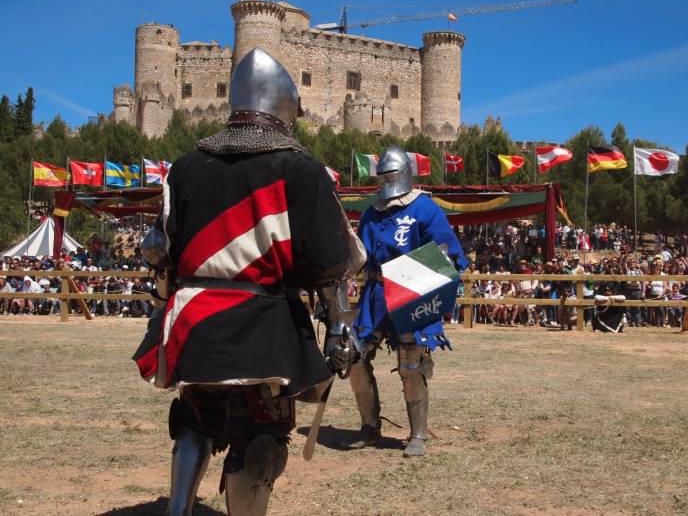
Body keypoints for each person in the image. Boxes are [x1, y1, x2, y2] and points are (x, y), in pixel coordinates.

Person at [133, 48, 363, 516]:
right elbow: (329, 262)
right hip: (262, 328)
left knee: (197, 421)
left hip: (194, 323)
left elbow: (162, 250)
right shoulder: (298, 168)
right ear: (284, 104)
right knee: (259, 438)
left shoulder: (185, 166)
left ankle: (179, 509)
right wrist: (340, 326)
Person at [345, 146, 467, 458]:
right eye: (381, 175)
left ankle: (418, 435)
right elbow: (360, 256)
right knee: (355, 359)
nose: (386, 180)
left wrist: (419, 272)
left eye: (391, 174)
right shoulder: (372, 213)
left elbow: (448, 253)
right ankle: (369, 429)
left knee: (411, 364)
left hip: (410, 293)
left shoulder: (425, 209)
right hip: (374, 296)